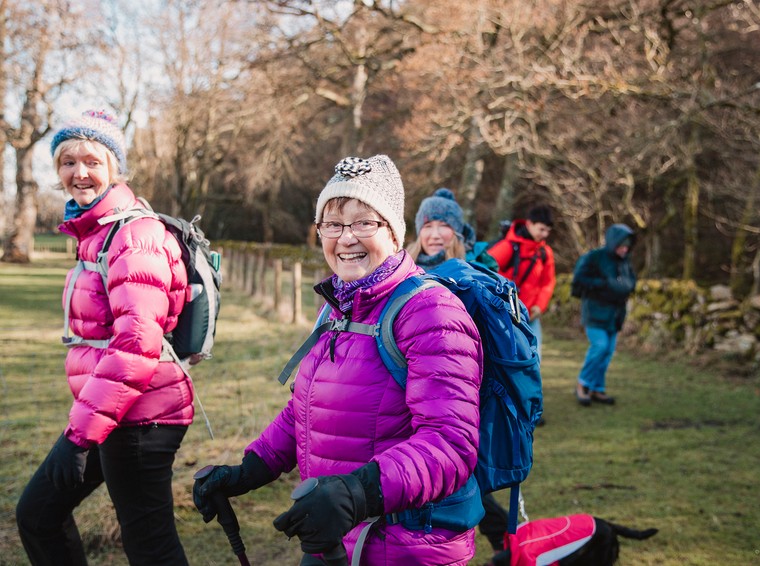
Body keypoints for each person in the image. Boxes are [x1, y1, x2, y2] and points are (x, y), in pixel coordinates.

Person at [193, 155, 484, 565]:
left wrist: (357, 492)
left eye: (365, 222)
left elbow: (451, 444)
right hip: (336, 534)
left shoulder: (432, 313)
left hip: (405, 545)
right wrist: (249, 470)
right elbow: (308, 409)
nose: (346, 238)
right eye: (333, 223)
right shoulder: (339, 307)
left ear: (395, 232)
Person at [16, 110, 193, 564]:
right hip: (109, 410)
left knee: (149, 544)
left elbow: (137, 343)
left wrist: (79, 436)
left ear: (114, 167)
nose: (79, 172)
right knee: (39, 514)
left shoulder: (134, 234)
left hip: (141, 416)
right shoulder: (94, 232)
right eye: (67, 162)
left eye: (92, 160)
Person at [408, 187, 509, 553]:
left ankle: (498, 541)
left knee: (463, 474)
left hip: (463, 391)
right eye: (428, 225)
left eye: (444, 225)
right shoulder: (405, 270)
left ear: (459, 233)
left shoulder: (474, 276)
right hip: (412, 389)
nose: (435, 233)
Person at [571, 224, 637, 406]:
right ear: (614, 242)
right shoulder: (594, 257)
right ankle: (582, 384)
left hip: (615, 314)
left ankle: (597, 388)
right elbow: (579, 281)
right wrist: (604, 284)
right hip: (595, 312)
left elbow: (631, 281)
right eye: (622, 245)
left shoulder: (624, 261)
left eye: (627, 246)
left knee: (607, 352)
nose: (625, 249)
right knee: (599, 346)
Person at [488, 205, 556, 356]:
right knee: (505, 356)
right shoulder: (508, 247)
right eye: (541, 229)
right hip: (505, 314)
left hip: (530, 315)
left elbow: (547, 282)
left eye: (548, 231)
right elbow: (484, 269)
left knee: (534, 356)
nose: (545, 234)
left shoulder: (545, 253)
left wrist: (539, 306)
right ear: (529, 223)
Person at [406, 187, 498, 271]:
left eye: (444, 226)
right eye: (428, 226)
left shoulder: (475, 274)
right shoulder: (401, 270)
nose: (435, 235)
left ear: (457, 232)